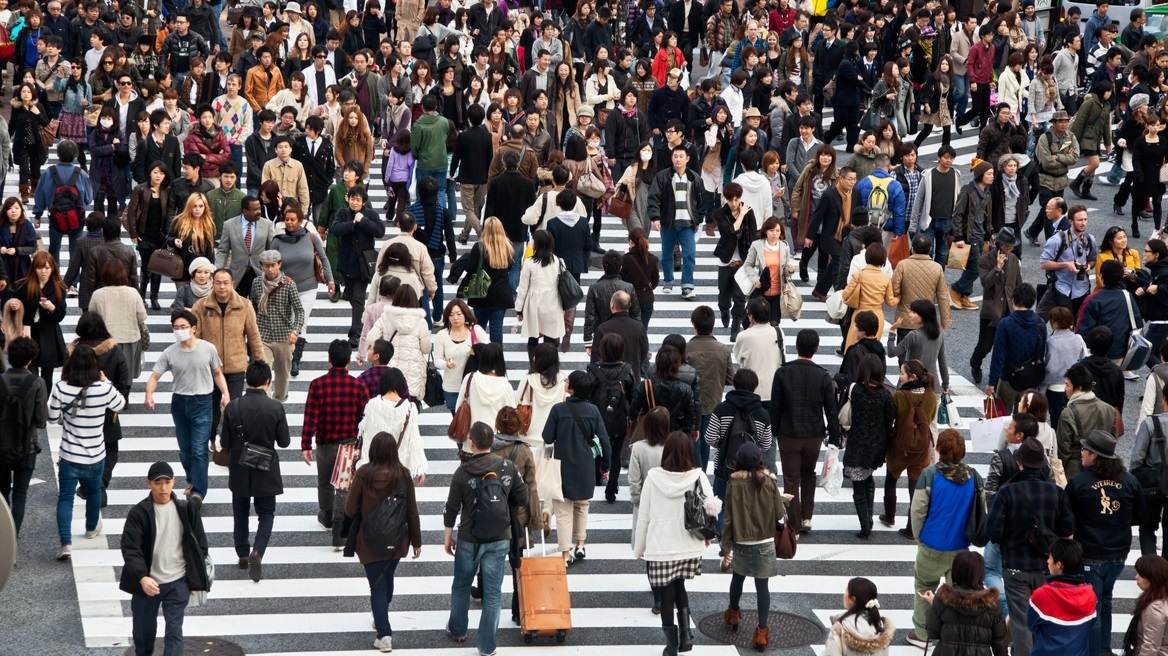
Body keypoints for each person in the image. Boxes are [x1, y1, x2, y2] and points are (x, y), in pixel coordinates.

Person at [444, 421, 528, 656]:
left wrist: (448, 537)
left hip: (469, 538)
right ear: (492, 442)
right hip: (500, 537)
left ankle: (458, 629)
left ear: (471, 443)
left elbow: (451, 508)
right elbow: (523, 498)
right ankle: (487, 646)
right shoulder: (507, 467)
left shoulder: (462, 472)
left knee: (461, 585)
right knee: (493, 593)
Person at [986, 437, 1076, 656]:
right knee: (1044, 617)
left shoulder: (1007, 493)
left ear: (1019, 463)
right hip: (1047, 566)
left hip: (1015, 566)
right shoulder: (1056, 493)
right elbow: (1067, 528)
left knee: (1021, 621)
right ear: (1042, 464)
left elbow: (993, 532)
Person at [1066, 430, 1145, 656]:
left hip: (1090, 555)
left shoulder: (1078, 483)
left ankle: (1096, 652)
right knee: (1106, 603)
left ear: (1094, 456)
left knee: (1093, 608)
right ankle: (1104, 649)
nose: (1081, 452)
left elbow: (1066, 520)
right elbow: (1141, 516)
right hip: (1118, 555)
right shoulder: (1129, 481)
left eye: (1084, 449)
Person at [119, 461, 210, 656]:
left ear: (174, 482)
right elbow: (130, 548)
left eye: (167, 482)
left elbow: (200, 545)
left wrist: (194, 578)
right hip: (148, 584)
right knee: (143, 634)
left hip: (178, 582)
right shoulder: (139, 513)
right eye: (158, 483)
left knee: (174, 633)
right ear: (148, 483)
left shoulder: (187, 509)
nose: (163, 488)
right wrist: (142, 577)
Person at [634, 430, 713, 655]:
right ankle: (686, 635)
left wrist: (639, 548)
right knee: (680, 587)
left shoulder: (653, 478)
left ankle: (670, 646)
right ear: (689, 451)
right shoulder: (697, 476)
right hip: (688, 545)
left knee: (667, 594)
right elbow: (711, 508)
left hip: (661, 546)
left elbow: (644, 516)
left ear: (666, 451)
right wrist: (707, 537)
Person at [905, 429, 984, 648]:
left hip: (932, 544)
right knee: (958, 594)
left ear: (939, 449)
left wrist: (919, 537)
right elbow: (981, 510)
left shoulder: (929, 475)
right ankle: (955, 633)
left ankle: (923, 634)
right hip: (960, 548)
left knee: (924, 586)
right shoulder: (974, 476)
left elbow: (917, 510)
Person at [50, 343, 128, 560]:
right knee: (94, 492)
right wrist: (106, 381)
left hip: (69, 453)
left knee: (65, 498)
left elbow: (52, 417)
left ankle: (66, 543)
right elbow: (120, 404)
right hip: (95, 454)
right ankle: (91, 527)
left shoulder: (61, 387)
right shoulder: (103, 388)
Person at [218, 361, 289, 583]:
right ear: (267, 381)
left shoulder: (233, 407)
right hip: (265, 467)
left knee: (240, 510)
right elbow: (284, 442)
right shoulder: (275, 408)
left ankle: (242, 554)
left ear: (247, 380)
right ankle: (257, 551)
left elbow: (225, 442)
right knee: (266, 513)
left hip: (239, 467)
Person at [301, 339, 369, 548]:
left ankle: (327, 516)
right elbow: (364, 417)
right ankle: (339, 532)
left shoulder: (317, 385)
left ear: (329, 358)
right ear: (349, 360)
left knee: (324, 482)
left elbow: (310, 417)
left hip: (324, 444)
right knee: (343, 487)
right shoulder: (358, 386)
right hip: (349, 444)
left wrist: (306, 444)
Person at [719, 441, 785, 651]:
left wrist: (725, 548)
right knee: (762, 587)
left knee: (738, 578)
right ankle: (762, 633)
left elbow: (728, 518)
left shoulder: (733, 483)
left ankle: (733, 614)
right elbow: (779, 514)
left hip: (741, 541)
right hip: (764, 541)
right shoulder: (769, 482)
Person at [771, 329, 839, 533]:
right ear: (816, 349)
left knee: (791, 479)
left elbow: (776, 407)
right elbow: (831, 411)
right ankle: (807, 517)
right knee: (808, 474)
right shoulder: (823, 375)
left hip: (788, 433)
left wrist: (774, 431)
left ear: (796, 347)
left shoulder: (783, 373)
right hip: (814, 435)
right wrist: (834, 438)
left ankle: (793, 525)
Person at [543, 369, 610, 565]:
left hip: (562, 467)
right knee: (582, 505)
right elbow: (604, 440)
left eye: (567, 380)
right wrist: (605, 465)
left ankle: (565, 553)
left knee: (563, 511)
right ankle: (581, 544)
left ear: (571, 388)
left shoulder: (558, 409)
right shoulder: (593, 411)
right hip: (585, 466)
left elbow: (547, 437)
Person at [192, 268, 265, 441]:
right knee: (211, 408)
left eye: (226, 283)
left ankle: (230, 442)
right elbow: (195, 338)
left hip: (235, 367)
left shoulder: (244, 305)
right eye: (218, 282)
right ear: (212, 283)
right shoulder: (201, 306)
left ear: (232, 284)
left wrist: (261, 363)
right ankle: (211, 440)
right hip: (209, 368)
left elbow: (253, 336)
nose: (222, 287)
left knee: (233, 408)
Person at [881, 360, 939, 536]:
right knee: (915, 486)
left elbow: (891, 419)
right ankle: (912, 527)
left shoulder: (899, 396)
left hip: (900, 448)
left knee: (891, 478)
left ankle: (889, 515)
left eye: (902, 373)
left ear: (912, 377)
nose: (900, 377)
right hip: (921, 449)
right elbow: (930, 419)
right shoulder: (931, 397)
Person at [842, 355, 894, 540]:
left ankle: (865, 526)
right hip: (877, 446)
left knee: (858, 485)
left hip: (857, 444)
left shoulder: (855, 390)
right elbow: (889, 423)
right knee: (868, 477)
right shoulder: (886, 395)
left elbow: (843, 413)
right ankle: (869, 518)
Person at [0, 337, 47, 535]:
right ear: (30, 359)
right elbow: (41, 420)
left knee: (2, 495)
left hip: (1, 446)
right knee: (20, 495)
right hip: (27, 446)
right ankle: (13, 540)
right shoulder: (37, 382)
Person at [920, 550, 1009, 655]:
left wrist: (934, 605)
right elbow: (999, 642)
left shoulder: (943, 599)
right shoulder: (992, 603)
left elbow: (932, 632)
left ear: (955, 570)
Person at [646, 144, 705, 299]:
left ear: (687, 159)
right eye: (675, 156)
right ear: (672, 158)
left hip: (687, 224)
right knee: (667, 255)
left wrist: (698, 220)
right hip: (668, 222)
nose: (678, 159)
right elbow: (654, 197)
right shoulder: (662, 176)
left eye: (681, 156)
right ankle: (668, 280)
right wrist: (655, 217)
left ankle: (687, 285)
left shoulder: (695, 178)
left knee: (689, 254)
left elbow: (702, 201)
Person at [332, 186, 386, 346]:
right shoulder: (342, 213)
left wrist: (363, 221)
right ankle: (360, 321)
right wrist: (352, 223)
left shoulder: (371, 214)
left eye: (358, 200)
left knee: (358, 297)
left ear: (363, 202)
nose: (354, 202)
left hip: (363, 264)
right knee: (351, 295)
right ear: (347, 199)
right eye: (352, 199)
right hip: (347, 263)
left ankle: (355, 333)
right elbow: (335, 229)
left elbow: (380, 231)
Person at [355, 366, 427, 486]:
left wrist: (365, 464)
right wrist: (421, 468)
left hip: (374, 468)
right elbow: (414, 439)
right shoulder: (410, 408)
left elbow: (367, 437)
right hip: (400, 468)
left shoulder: (372, 405)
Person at [1028, 538, 1099, 656]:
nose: (1047, 561)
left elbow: (1031, 625)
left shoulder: (1040, 595)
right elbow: (1091, 623)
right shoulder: (1091, 595)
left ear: (1059, 564)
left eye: (1050, 557)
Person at [249, 250, 304, 402]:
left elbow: (299, 310)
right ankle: (265, 403)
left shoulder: (288, 283)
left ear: (279, 264)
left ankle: (279, 402)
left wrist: (295, 331)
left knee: (283, 375)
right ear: (261, 266)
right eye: (266, 266)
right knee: (263, 373)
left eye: (273, 265)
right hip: (262, 336)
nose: (270, 269)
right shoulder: (256, 283)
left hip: (284, 336)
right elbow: (252, 307)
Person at [972, 228, 1023, 386]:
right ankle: (975, 362)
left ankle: (1003, 374)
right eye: (1007, 246)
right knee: (985, 346)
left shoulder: (1013, 259)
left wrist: (1020, 304)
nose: (1010, 249)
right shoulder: (985, 260)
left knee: (1008, 345)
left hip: (1009, 309)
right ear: (1000, 244)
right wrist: (997, 268)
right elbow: (986, 283)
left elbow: (1018, 283)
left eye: (1011, 246)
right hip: (992, 311)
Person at [806, 165, 863, 302]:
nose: (852, 182)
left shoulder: (855, 193)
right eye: (849, 179)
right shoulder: (829, 194)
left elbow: (857, 212)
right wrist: (810, 236)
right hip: (830, 235)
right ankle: (840, 295)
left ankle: (820, 290)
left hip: (847, 234)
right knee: (839, 261)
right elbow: (817, 216)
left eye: (854, 179)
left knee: (837, 262)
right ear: (841, 179)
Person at [367, 285, 431, 404]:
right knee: (410, 408)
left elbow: (371, 338)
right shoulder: (421, 321)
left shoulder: (386, 317)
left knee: (388, 404)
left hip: (390, 369)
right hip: (413, 371)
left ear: (396, 299)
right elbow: (426, 349)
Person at [14, 252, 68, 392]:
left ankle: (43, 401)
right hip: (29, 334)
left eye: (47, 268)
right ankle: (33, 400)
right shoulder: (23, 286)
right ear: (34, 269)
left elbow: (60, 315)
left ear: (53, 269)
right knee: (30, 373)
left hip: (49, 335)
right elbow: (15, 307)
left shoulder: (59, 288)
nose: (43, 272)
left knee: (47, 375)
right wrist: (15, 306)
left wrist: (52, 308)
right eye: (40, 268)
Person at [455, 217, 514, 344]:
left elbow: (470, 268)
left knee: (479, 327)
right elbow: (509, 267)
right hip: (501, 292)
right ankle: (496, 354)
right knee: (496, 327)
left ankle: (478, 353)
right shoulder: (507, 247)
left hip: (481, 292)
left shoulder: (479, 247)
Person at [1057, 363, 1119, 479]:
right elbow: (1112, 440)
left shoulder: (1068, 413)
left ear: (1078, 388)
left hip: (1074, 470)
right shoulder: (1109, 410)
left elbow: (1063, 450)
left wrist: (1059, 476)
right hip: (1103, 469)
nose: (1065, 389)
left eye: (1067, 385)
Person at [948, 161, 995, 312]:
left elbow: (987, 216)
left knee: (971, 266)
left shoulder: (987, 192)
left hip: (981, 234)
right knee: (976, 268)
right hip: (970, 236)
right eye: (989, 174)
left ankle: (963, 296)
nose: (992, 176)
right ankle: (955, 289)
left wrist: (990, 234)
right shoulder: (967, 191)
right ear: (980, 174)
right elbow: (957, 215)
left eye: (992, 174)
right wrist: (959, 236)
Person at [1038, 204, 1098, 320]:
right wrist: (1066, 264)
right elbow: (1043, 263)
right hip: (1061, 288)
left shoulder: (1090, 239)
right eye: (1079, 220)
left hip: (1082, 289)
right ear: (1071, 221)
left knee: (1079, 325)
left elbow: (1093, 260)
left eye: (1085, 219)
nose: (1083, 223)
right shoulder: (1057, 240)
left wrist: (1088, 266)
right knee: (1041, 320)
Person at [891, 234, 951, 346]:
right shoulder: (937, 267)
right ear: (930, 249)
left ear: (912, 249)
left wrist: (898, 297)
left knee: (903, 351)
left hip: (905, 319)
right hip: (926, 320)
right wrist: (945, 320)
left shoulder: (902, 265)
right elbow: (942, 295)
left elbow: (894, 289)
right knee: (923, 353)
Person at [432, 299, 489, 412]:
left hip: (474, 384)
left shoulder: (476, 330)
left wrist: (476, 351)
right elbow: (437, 360)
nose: (455, 318)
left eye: (459, 314)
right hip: (452, 386)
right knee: (458, 420)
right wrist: (446, 364)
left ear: (465, 314)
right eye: (451, 315)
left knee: (475, 418)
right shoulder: (442, 335)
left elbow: (490, 351)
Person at [1132, 386, 1168, 558]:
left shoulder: (1151, 423)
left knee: (1147, 526)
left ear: (1164, 399)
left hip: (1152, 484)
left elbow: (1137, 459)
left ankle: (1150, 567)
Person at [842, 243, 898, 351]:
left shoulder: (859, 275)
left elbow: (845, 295)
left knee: (853, 348)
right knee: (872, 350)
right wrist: (899, 297)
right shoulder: (886, 278)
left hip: (860, 313)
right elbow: (890, 301)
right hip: (877, 315)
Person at [824, 578, 896, 656]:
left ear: (852, 599)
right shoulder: (881, 628)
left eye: (846, 591)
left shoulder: (840, 629)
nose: (843, 595)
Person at [1126, 555, 1168, 655]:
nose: (1136, 577)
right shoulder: (1161, 599)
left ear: (1153, 577)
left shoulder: (1155, 607)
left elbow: (1150, 646)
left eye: (1141, 575)